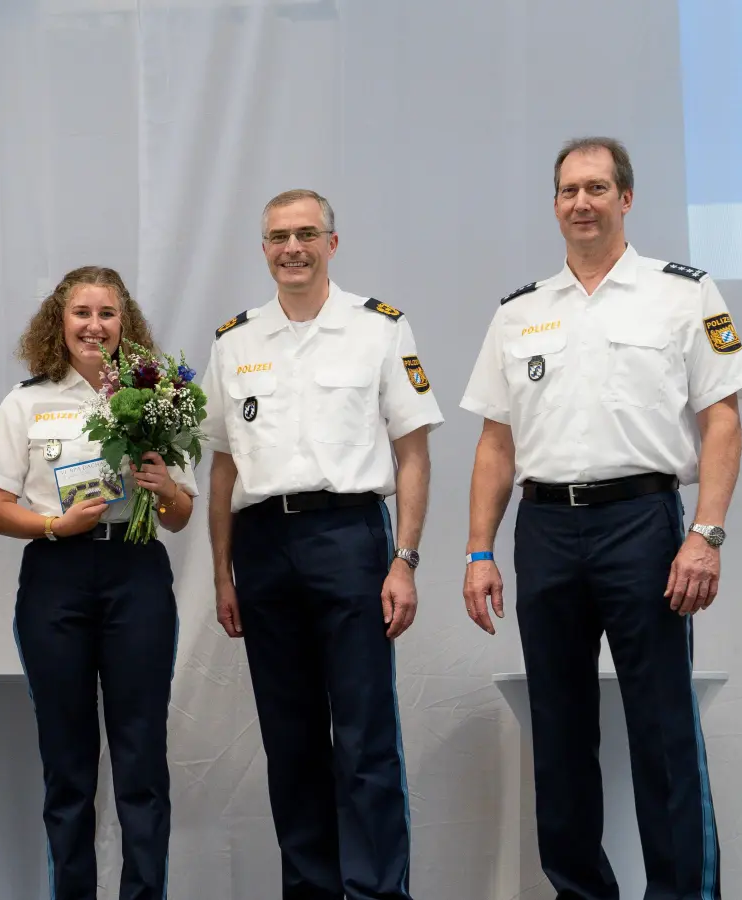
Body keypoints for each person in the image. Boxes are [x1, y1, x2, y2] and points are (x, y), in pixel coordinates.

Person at [460, 137, 742, 900]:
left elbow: (722, 420)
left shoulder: (682, 293)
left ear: (627, 198)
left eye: (596, 188)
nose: (581, 203)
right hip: (547, 529)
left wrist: (707, 532)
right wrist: (478, 551)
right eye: (567, 191)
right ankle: (581, 893)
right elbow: (496, 442)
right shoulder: (519, 312)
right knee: (558, 735)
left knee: (663, 731)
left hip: (644, 526)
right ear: (554, 204)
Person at [202, 189, 441, 900]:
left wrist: (406, 559)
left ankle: (375, 891)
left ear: (332, 243)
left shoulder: (380, 330)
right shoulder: (234, 341)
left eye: (307, 234)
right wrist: (220, 573)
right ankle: (309, 888)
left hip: (349, 538)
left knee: (365, 738)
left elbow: (414, 454)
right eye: (278, 237)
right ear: (264, 248)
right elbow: (221, 466)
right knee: (291, 740)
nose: (292, 248)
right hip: (263, 545)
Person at [0, 266, 196, 900]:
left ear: (127, 324)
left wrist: (166, 487)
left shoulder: (158, 399)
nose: (94, 325)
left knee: (140, 759)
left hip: (136, 572)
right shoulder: (27, 401)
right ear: (58, 321)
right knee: (67, 764)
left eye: (107, 314)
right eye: (81, 313)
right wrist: (53, 525)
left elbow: (180, 517)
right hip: (56, 577)